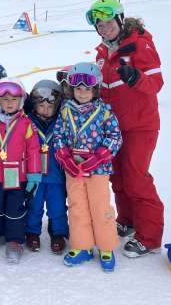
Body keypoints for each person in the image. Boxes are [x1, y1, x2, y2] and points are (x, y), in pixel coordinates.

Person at [86, 0, 165, 258]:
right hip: (113, 128)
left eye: (108, 22)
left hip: (140, 125)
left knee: (136, 179)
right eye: (99, 25)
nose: (104, 28)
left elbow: (156, 83)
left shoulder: (140, 44)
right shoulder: (102, 51)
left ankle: (149, 237)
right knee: (118, 178)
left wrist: (135, 77)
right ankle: (128, 220)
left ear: (120, 20)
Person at [53, 63, 122, 272]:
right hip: (74, 169)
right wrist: (65, 158)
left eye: (87, 89)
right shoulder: (66, 110)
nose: (82, 93)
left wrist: (99, 157)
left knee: (100, 207)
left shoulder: (104, 111)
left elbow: (115, 137)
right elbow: (58, 135)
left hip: (97, 170)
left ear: (96, 89)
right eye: (78, 88)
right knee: (77, 207)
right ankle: (82, 246)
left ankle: (106, 247)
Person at [0, 78, 41, 264]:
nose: (9, 103)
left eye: (14, 100)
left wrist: (33, 177)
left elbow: (34, 151)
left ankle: (15, 240)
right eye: (4, 100)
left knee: (15, 209)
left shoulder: (26, 124)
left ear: (21, 101)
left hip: (17, 177)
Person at [23, 80, 69, 254]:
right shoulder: (27, 122)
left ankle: (58, 233)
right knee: (34, 206)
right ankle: (32, 232)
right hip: (35, 176)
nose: (45, 110)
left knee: (57, 207)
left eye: (50, 107)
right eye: (41, 106)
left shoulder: (63, 122)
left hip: (56, 176)